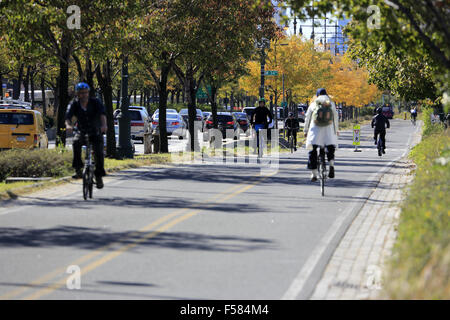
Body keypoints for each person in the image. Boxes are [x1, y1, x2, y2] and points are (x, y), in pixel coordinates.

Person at [65, 82, 107, 189]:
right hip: (81, 131)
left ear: (88, 93)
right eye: (81, 93)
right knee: (75, 142)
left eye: (85, 93)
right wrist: (68, 126)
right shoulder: (74, 104)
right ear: (77, 94)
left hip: (95, 130)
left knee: (99, 151)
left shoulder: (95, 102)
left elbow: (102, 114)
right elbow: (68, 117)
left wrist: (104, 125)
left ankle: (98, 176)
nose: (84, 95)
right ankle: (78, 169)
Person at [304, 88, 339, 182]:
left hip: (315, 130)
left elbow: (307, 117)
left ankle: (314, 173)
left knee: (312, 149)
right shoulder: (331, 104)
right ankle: (331, 165)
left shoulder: (313, 103)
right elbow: (335, 117)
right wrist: (336, 130)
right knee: (330, 147)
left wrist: (305, 130)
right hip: (328, 129)